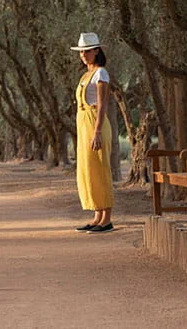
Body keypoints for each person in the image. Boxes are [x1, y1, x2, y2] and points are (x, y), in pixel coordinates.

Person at [71, 32, 114, 233]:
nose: (84, 55)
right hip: (84, 126)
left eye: (87, 51)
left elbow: (103, 104)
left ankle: (107, 219)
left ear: (97, 51)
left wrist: (97, 132)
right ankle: (97, 215)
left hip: (95, 124)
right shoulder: (85, 74)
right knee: (88, 170)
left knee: (100, 169)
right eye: (81, 52)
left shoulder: (100, 74)